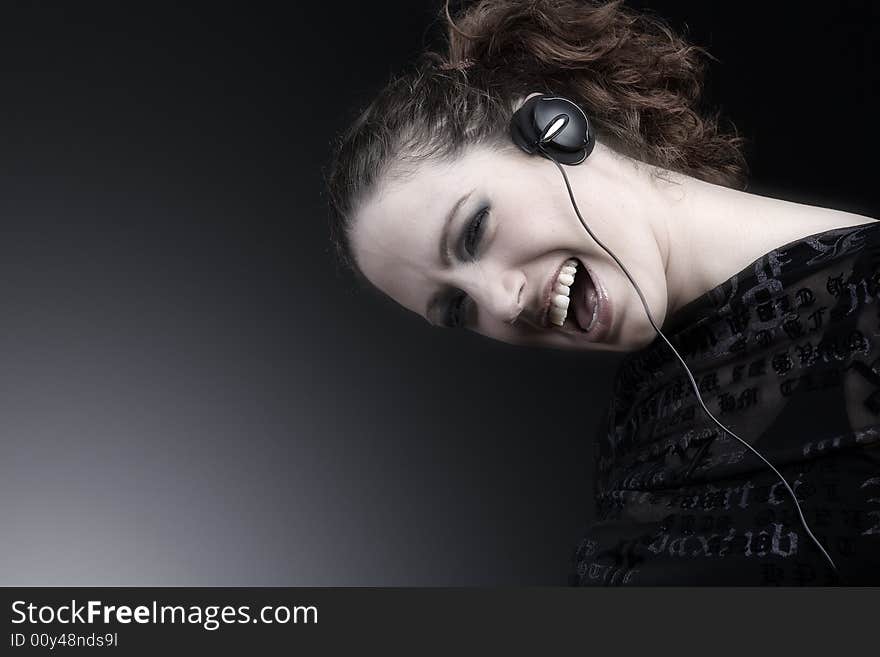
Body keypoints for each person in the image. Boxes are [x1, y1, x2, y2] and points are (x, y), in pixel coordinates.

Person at [326, 0, 880, 585]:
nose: (502, 304)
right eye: (457, 308)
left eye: (474, 232)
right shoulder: (629, 443)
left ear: (553, 130)